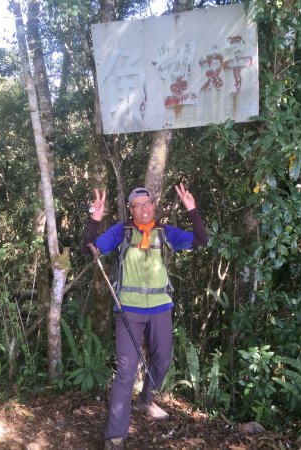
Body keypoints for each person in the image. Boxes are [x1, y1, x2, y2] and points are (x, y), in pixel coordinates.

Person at [82, 183, 208, 450]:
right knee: (126, 371)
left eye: (147, 203)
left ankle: (145, 399)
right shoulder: (122, 232)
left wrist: (192, 210)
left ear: (154, 206)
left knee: (162, 358)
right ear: (131, 210)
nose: (143, 208)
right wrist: (95, 218)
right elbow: (90, 248)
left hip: (161, 307)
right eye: (137, 205)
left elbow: (200, 240)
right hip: (128, 308)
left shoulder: (165, 233)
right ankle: (115, 437)